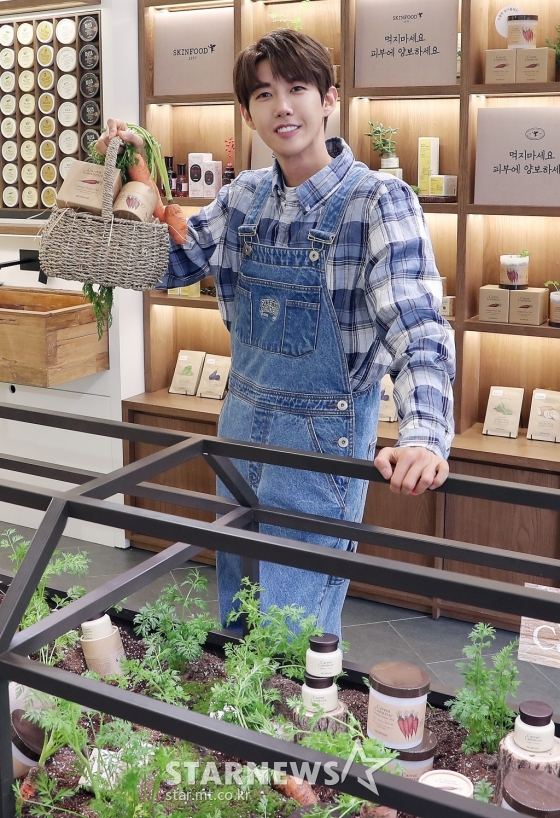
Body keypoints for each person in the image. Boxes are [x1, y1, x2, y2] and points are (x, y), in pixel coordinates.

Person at [97, 29, 455, 640]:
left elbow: (416, 324)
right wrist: (121, 179)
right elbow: (167, 263)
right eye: (264, 94)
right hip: (239, 432)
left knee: (294, 635)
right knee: (236, 619)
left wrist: (425, 435)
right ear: (248, 113)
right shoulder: (242, 197)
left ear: (329, 98)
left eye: (297, 88)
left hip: (320, 447)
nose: (282, 107)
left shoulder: (377, 201)